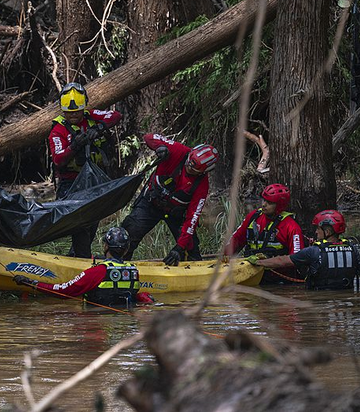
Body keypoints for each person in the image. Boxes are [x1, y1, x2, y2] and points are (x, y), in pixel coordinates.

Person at [48, 82, 122, 258]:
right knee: (80, 224)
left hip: (93, 180)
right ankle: (82, 259)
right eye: (69, 112)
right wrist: (74, 146)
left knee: (92, 222)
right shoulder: (58, 130)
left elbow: (116, 115)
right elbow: (58, 159)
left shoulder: (92, 117)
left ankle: (75, 257)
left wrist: (99, 128)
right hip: (71, 185)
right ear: (62, 110)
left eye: (77, 111)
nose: (73, 115)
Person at [121, 134, 218, 265]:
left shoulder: (201, 185)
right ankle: (118, 263)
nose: (188, 167)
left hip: (176, 214)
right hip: (150, 202)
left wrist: (179, 248)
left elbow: (192, 218)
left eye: (192, 168)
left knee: (190, 249)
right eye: (188, 162)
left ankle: (190, 273)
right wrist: (160, 147)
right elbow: (149, 137)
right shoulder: (178, 151)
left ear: (203, 172)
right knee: (130, 232)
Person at [12, 227, 141, 307]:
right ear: (126, 250)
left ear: (106, 246)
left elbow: (64, 291)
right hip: (123, 325)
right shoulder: (134, 272)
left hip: (95, 323)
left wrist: (31, 283)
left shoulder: (97, 271)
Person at [248, 210, 360, 290]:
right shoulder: (352, 249)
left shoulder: (313, 251)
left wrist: (259, 263)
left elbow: (283, 261)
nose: (316, 232)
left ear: (327, 232)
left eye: (318, 229)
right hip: (346, 299)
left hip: (319, 301)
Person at [225, 183, 305, 283]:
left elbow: (297, 259)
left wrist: (263, 262)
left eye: (269, 202)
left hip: (278, 280)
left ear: (279, 205)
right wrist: (224, 258)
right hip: (250, 274)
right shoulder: (253, 217)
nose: (264, 204)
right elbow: (236, 239)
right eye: (264, 200)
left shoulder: (291, 227)